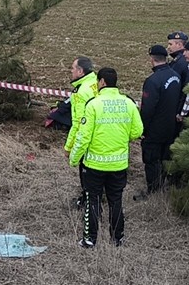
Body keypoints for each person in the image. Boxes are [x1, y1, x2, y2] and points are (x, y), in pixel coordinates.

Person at [69, 67, 143, 247]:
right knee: (116, 200)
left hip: (94, 164)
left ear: (101, 82)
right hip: (118, 164)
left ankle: (89, 239)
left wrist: (74, 158)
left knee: (92, 200)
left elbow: (83, 136)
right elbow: (138, 131)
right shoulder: (128, 103)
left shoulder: (93, 105)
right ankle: (117, 238)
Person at [136, 44, 182, 200]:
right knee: (164, 157)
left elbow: (147, 109)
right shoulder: (175, 75)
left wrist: (142, 129)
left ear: (151, 59)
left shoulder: (152, 81)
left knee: (151, 160)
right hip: (171, 126)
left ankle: (153, 191)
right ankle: (163, 186)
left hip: (155, 129)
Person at [64, 56, 98, 158]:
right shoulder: (96, 81)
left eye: (73, 68)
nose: (71, 71)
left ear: (80, 71)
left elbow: (78, 122)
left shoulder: (80, 92)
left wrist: (68, 147)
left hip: (89, 143)